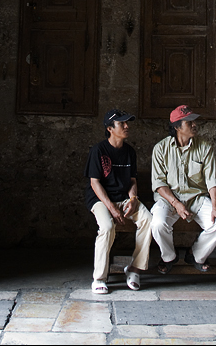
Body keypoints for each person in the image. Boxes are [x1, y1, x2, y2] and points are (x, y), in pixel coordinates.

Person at [150, 104, 216, 274]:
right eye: (189, 122)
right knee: (157, 224)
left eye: (195, 121)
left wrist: (215, 207)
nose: (195, 125)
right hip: (169, 200)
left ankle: (195, 255)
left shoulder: (205, 147)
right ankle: (169, 257)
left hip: (197, 199)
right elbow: (158, 184)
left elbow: (212, 179)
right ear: (177, 127)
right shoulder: (160, 149)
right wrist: (176, 203)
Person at [84, 108, 153, 294]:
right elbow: (95, 183)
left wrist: (133, 198)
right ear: (109, 129)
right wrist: (112, 209)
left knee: (149, 220)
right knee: (107, 227)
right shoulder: (98, 150)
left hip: (124, 198)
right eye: (121, 123)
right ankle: (99, 277)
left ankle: (134, 269)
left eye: (127, 123)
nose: (126, 126)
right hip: (101, 199)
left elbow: (132, 180)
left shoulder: (130, 152)